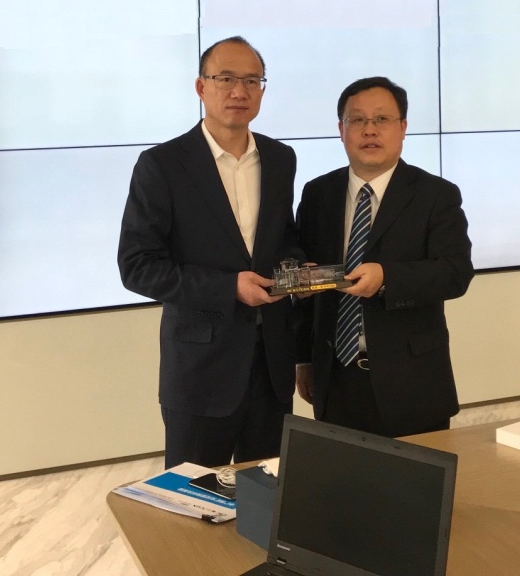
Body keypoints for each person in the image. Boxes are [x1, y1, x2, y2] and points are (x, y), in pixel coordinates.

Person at [117, 36, 301, 466]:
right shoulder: (162, 165)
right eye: (226, 79)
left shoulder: (281, 159)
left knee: (269, 491)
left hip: (271, 366)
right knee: (192, 495)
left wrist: (297, 270)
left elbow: (283, 240)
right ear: (201, 87)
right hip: (200, 371)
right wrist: (227, 287)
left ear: (262, 90)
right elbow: (137, 266)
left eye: (252, 80)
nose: (239, 91)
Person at [294, 76, 474, 438]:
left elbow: (455, 273)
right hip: (335, 378)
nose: (369, 130)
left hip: (412, 383)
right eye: (357, 120)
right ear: (341, 130)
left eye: (381, 119)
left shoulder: (435, 195)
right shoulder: (318, 194)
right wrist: (304, 359)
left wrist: (387, 278)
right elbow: (305, 282)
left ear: (403, 127)